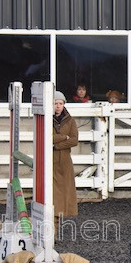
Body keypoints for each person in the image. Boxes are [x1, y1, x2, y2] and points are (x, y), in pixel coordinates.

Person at [52, 91, 78, 225]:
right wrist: (63, 137)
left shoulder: (70, 120)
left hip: (65, 162)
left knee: (64, 193)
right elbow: (46, 136)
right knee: (53, 194)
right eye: (55, 103)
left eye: (60, 103)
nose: (58, 106)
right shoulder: (46, 119)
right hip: (51, 162)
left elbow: (74, 140)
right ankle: (53, 225)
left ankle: (57, 224)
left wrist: (56, 145)